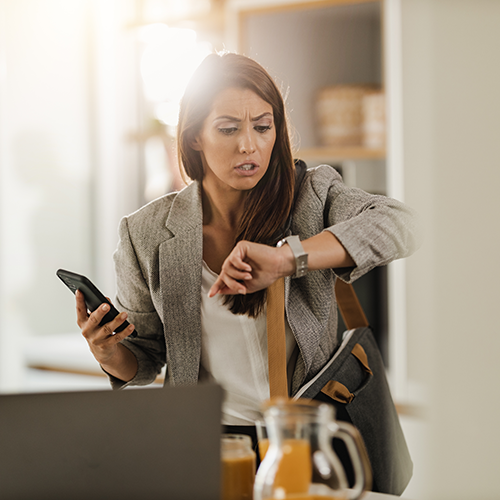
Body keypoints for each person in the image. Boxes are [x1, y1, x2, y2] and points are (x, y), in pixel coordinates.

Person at [76, 51, 419, 456]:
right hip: (209, 445)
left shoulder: (311, 195)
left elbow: (401, 223)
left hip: (309, 439)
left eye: (262, 126)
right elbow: (147, 359)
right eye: (228, 129)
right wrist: (108, 351)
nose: (248, 146)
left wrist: (288, 258)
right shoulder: (145, 232)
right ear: (194, 137)